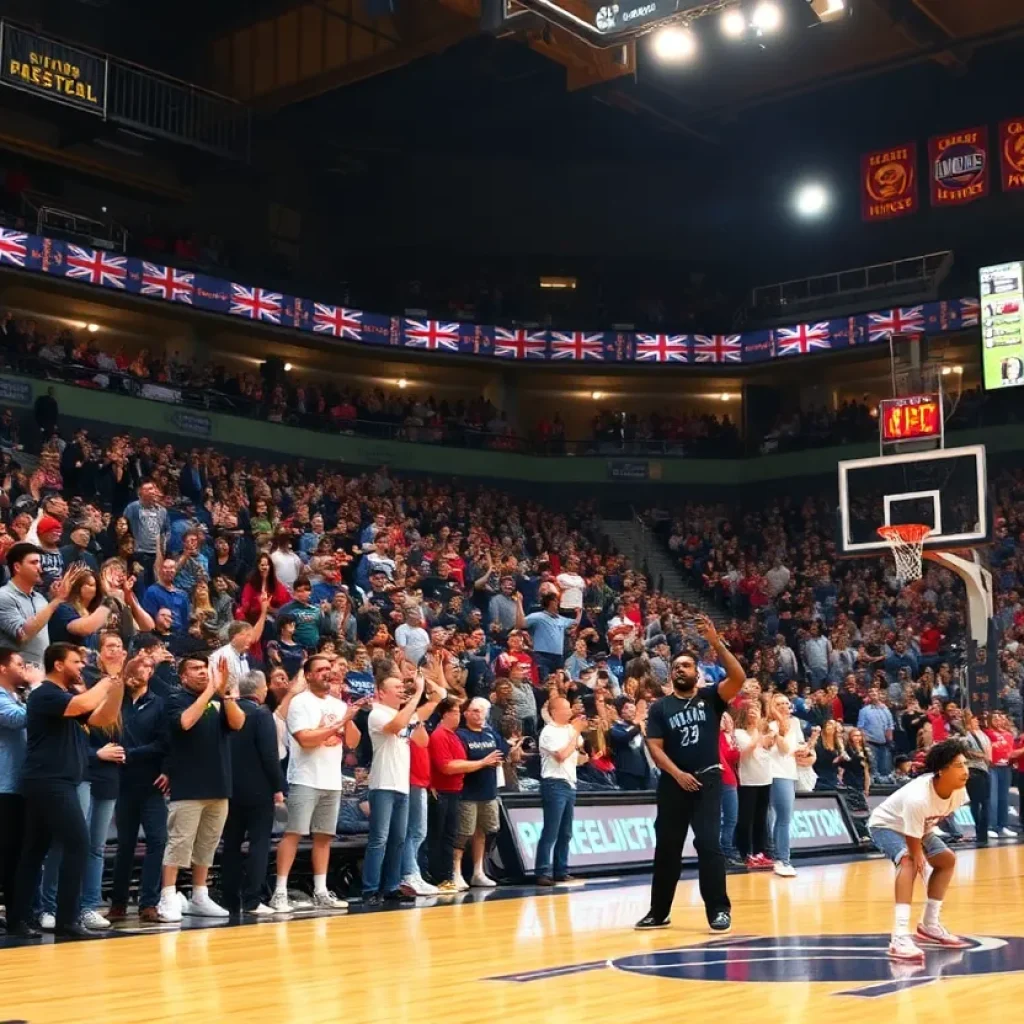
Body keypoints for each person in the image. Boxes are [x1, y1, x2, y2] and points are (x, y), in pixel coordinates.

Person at [636, 614, 745, 934]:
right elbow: (654, 747)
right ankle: (659, 912)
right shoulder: (660, 708)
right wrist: (677, 773)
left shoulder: (710, 698)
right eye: (675, 666)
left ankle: (718, 910)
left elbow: (739, 676)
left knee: (710, 844)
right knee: (667, 847)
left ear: (697, 673)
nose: (679, 669)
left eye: (685, 665)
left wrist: (715, 641)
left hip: (708, 780)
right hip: (673, 783)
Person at [9, 643, 123, 939]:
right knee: (77, 844)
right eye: (76, 661)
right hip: (49, 781)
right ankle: (67, 920)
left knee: (34, 850)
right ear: (58, 665)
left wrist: (117, 682)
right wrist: (107, 679)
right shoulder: (45, 694)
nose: (81, 666)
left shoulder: (64, 696)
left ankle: (18, 919)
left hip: (53, 781)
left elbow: (103, 717)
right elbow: (84, 706)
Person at [156, 655, 245, 923]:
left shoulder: (218, 700)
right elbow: (185, 722)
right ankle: (168, 896)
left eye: (206, 668)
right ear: (183, 676)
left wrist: (226, 692)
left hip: (220, 784)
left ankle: (199, 895)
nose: (203, 672)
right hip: (188, 785)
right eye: (196, 669)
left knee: (207, 845)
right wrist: (209, 691)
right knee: (179, 843)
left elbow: (238, 723)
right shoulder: (175, 699)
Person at [867, 739, 972, 961]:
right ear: (941, 771)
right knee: (908, 862)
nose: (965, 771)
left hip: (917, 827)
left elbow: (929, 821)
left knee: (947, 860)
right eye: (958, 765)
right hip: (885, 826)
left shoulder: (959, 792)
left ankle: (930, 925)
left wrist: (927, 847)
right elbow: (912, 839)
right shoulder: (918, 797)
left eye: (965, 764)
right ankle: (900, 936)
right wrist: (921, 859)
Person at [272, 654, 359, 912]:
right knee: (293, 834)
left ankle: (321, 891)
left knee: (324, 837)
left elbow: (352, 742)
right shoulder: (300, 702)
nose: (326, 673)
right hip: (305, 779)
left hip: (332, 780)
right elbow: (306, 740)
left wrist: (349, 717)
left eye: (329, 669)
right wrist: (341, 722)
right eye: (320, 669)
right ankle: (279, 892)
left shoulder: (339, 704)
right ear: (308, 675)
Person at [361, 672, 441, 906]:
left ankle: (392, 885)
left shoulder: (403, 714)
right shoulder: (377, 713)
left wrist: (417, 716)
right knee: (380, 838)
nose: (400, 689)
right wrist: (416, 697)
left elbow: (422, 741)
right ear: (382, 692)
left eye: (401, 686)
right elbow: (396, 727)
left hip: (402, 785)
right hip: (382, 783)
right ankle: (370, 888)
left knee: (398, 838)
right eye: (395, 686)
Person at [108, 655, 168, 924]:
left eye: (149, 667)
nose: (144, 670)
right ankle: (118, 902)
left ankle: (149, 903)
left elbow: (163, 743)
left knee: (157, 840)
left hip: (150, 781)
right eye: (140, 666)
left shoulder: (159, 704)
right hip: (121, 782)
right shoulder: (117, 702)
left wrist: (130, 754)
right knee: (125, 844)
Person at [220, 671, 284, 916]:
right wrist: (278, 786)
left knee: (231, 845)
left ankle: (228, 899)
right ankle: (252, 900)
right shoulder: (261, 714)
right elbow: (269, 755)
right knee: (259, 844)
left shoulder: (227, 711)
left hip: (229, 788)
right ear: (261, 690)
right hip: (258, 790)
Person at [455, 696, 511, 890]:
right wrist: (483, 762)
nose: (479, 715)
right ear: (466, 713)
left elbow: (503, 752)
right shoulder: (461, 735)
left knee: (483, 832)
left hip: (489, 790)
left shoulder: (490, 734)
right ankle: (456, 872)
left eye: (482, 711)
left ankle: (478, 872)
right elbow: (461, 761)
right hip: (468, 791)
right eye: (475, 711)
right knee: (463, 833)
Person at [535, 696, 586, 885]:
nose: (570, 712)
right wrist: (576, 733)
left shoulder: (570, 730)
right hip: (554, 783)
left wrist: (583, 752)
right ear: (555, 712)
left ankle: (561, 870)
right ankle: (542, 871)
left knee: (566, 832)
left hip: (570, 782)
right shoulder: (549, 732)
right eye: (565, 709)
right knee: (551, 830)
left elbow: (578, 752)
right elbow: (561, 755)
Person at [0, 547, 81, 667]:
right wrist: (57, 600)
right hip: (14, 674)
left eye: (40, 563)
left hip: (40, 672)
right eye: (34, 562)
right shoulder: (4, 596)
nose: (40, 568)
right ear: (17, 567)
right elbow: (23, 634)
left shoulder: (40, 599)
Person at [0, 648, 31, 925]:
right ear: (2, 668)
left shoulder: (14, 696)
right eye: (20, 664)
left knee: (15, 851)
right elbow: (18, 719)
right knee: (8, 851)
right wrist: (38, 689)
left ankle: (17, 912)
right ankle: (14, 916)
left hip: (17, 785)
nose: (25, 668)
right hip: (4, 786)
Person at [765, 691, 806, 878]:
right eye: (779, 703)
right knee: (782, 817)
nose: (783, 706)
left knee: (783, 817)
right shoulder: (771, 725)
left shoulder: (796, 723)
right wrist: (779, 732)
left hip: (790, 773)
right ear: (773, 707)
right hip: (775, 773)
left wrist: (806, 751)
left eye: (786, 703)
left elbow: (800, 747)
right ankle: (782, 860)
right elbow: (783, 750)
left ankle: (779, 857)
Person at [733, 699, 772, 869]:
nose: (753, 712)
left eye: (756, 709)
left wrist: (762, 732)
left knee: (761, 818)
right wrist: (756, 728)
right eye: (750, 710)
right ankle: (745, 853)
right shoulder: (739, 733)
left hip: (765, 779)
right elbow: (747, 751)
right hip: (748, 780)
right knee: (745, 819)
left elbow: (767, 744)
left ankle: (760, 852)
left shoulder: (764, 734)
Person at [123, 479, 168, 585]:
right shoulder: (133, 507)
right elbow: (123, 527)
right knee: (141, 584)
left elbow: (164, 532)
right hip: (139, 553)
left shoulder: (162, 511)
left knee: (156, 584)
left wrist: (162, 552)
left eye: (152, 488)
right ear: (140, 492)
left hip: (156, 554)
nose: (151, 491)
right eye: (146, 489)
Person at [962, 712, 991, 847]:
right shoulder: (965, 736)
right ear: (967, 723)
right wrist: (981, 755)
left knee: (985, 803)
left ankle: (983, 833)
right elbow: (965, 751)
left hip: (984, 769)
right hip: (973, 770)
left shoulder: (982, 735)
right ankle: (979, 831)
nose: (976, 722)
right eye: (973, 720)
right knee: (976, 803)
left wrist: (986, 758)